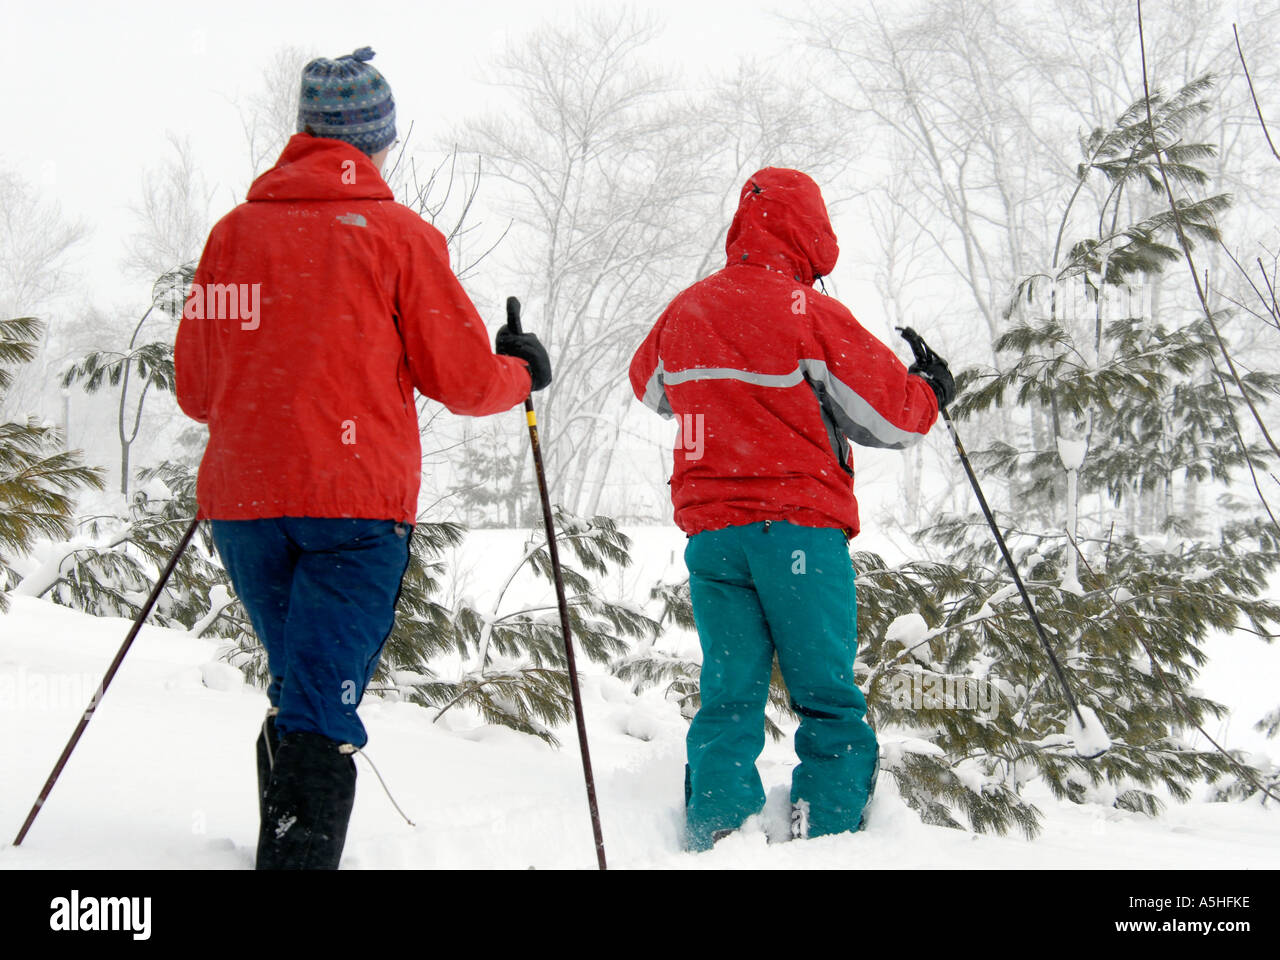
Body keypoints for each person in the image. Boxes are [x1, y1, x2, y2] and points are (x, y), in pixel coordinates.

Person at [175, 47, 551, 869]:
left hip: (245, 506)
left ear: (304, 135)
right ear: (375, 143)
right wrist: (522, 369)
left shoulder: (233, 237)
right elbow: (460, 379)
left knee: (302, 686)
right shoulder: (398, 238)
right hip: (353, 509)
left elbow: (197, 390)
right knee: (318, 702)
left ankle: (279, 846)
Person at [629, 167, 954, 851]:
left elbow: (652, 387)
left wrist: (722, 403)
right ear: (812, 233)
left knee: (729, 690)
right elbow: (892, 418)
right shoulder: (811, 314)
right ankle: (825, 833)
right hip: (798, 532)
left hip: (714, 537)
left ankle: (720, 827)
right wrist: (928, 388)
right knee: (825, 690)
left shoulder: (687, 310)